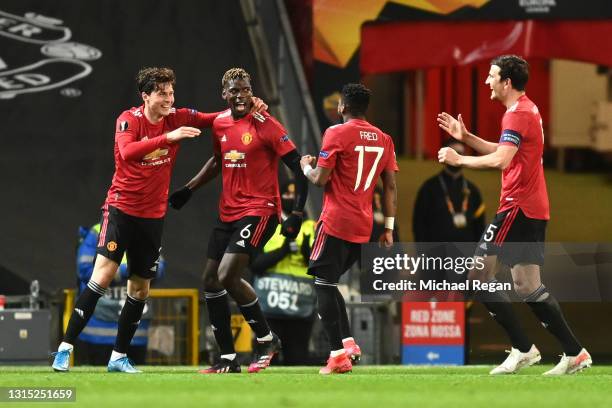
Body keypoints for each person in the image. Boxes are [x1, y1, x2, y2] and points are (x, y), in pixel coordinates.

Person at [52, 67, 266, 373]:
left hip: (152, 217)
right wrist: (169, 136)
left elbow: (214, 118)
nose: (169, 99)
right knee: (102, 276)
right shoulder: (129, 119)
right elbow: (127, 152)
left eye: (171, 93)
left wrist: (247, 104)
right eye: (162, 93)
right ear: (146, 96)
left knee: (140, 289)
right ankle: (65, 348)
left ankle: (118, 357)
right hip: (121, 209)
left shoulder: (177, 116)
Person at [437, 55, 591, 375]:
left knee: (477, 277)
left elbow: (502, 160)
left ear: (507, 82)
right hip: (533, 208)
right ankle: (574, 353)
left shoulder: (517, 115)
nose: (487, 82)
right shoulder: (524, 110)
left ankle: (523, 349)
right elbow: (505, 150)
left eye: (492, 76)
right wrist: (466, 138)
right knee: (527, 285)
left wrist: (459, 160)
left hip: (516, 207)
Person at [168, 68, 309, 374]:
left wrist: (297, 213)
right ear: (225, 94)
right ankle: (228, 359)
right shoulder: (219, 123)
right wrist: (189, 189)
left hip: (261, 210)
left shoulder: (265, 123)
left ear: (251, 91)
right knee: (209, 280)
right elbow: (219, 161)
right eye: (234, 91)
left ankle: (268, 339)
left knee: (227, 274)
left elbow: (298, 168)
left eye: (245, 90)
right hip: (227, 212)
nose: (241, 96)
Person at [300, 83, 398, 374]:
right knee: (329, 284)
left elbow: (319, 179)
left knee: (322, 285)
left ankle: (337, 355)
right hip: (364, 224)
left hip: (336, 221)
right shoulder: (384, 138)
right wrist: (389, 227)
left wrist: (306, 166)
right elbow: (390, 185)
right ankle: (348, 342)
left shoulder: (336, 133)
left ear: (342, 107)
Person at [74, 223, 165, 365]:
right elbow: (85, 271)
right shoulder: (97, 232)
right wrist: (129, 272)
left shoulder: (146, 231)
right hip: (99, 333)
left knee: (138, 384)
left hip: (136, 335)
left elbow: (159, 269)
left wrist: (115, 273)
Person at [250, 181, 317, 365]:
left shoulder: (311, 227)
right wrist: (283, 251)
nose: (291, 198)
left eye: (294, 195)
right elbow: (254, 264)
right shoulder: (267, 225)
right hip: (269, 306)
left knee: (298, 357)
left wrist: (305, 252)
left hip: (301, 304)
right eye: (286, 194)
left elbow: (320, 265)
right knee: (268, 359)